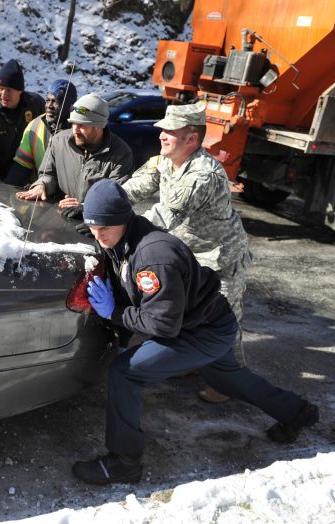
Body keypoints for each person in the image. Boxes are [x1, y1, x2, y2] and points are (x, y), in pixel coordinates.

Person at [71, 179, 319, 486]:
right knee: (225, 377)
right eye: (92, 226)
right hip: (209, 321)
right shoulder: (119, 235)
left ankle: (124, 462)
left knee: (126, 373)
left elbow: (163, 325)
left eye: (104, 226)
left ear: (124, 217)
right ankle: (298, 412)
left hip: (201, 331)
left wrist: (114, 313)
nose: (98, 234)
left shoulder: (154, 257)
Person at [122, 103, 252, 403]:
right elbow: (136, 186)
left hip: (220, 258)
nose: (162, 136)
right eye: (163, 130)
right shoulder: (166, 161)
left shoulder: (202, 175)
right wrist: (104, 202)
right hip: (190, 257)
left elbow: (164, 216)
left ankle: (228, 384)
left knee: (226, 321)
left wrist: (115, 225)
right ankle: (190, 361)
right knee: (186, 313)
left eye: (170, 131)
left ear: (191, 139)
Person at [15, 93, 134, 222]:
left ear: (99, 126)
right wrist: (42, 185)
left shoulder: (121, 154)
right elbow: (48, 174)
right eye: (73, 124)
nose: (75, 131)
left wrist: (84, 207)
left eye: (82, 125)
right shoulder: (58, 141)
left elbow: (117, 198)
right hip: (58, 221)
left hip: (96, 226)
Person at [0, 59, 45, 181]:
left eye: (9, 90)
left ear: (20, 90)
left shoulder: (35, 103)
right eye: (1, 88)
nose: (4, 94)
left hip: (26, 172)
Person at [4, 79, 78, 186]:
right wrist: (6, 191)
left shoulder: (79, 130)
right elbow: (21, 168)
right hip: (40, 192)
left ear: (68, 105)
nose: (49, 105)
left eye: (55, 101)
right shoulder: (34, 126)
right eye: (47, 100)